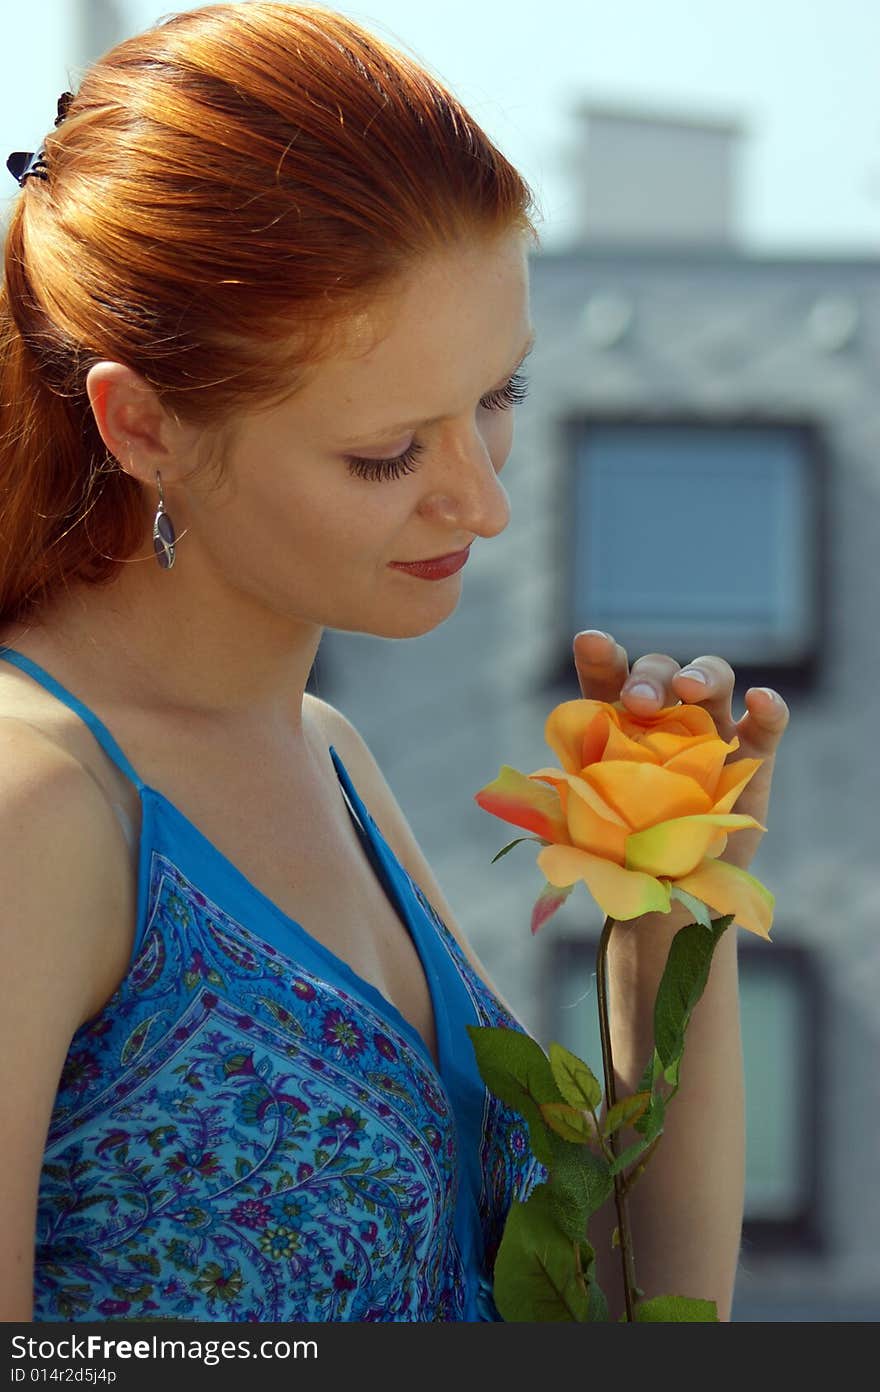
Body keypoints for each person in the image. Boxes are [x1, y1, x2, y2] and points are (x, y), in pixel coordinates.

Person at [0, 2, 789, 1324]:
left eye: (499, 402)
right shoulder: (37, 813)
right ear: (142, 424)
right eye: (388, 453)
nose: (483, 504)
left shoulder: (326, 753)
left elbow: (640, 1317)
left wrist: (669, 933)